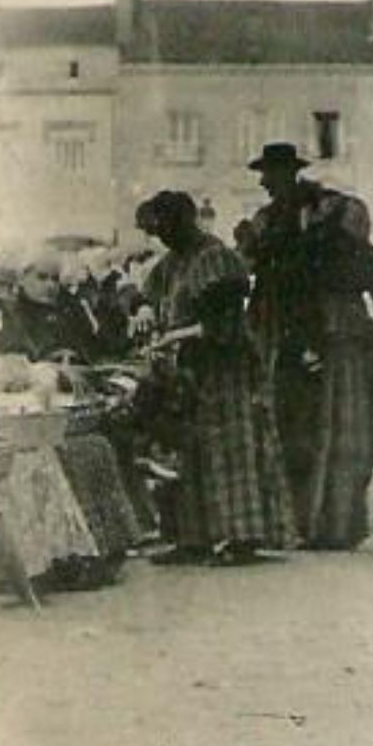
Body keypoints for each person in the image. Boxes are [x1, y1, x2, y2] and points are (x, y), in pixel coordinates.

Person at [240, 142, 373, 550]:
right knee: (310, 430)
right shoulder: (291, 230)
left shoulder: (312, 244)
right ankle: (316, 521)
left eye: (272, 174)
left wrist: (368, 340)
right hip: (305, 340)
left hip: (319, 342)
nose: (266, 183)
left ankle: (326, 522)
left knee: (326, 431)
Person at [136, 191, 294, 565]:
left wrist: (176, 335)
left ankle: (242, 538)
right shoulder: (174, 262)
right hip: (191, 372)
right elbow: (147, 291)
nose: (161, 239)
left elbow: (225, 325)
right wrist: (143, 307)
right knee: (189, 452)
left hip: (225, 369)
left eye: (165, 230)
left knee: (231, 451)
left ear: (182, 224)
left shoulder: (217, 258)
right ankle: (192, 539)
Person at [0, 249, 100, 364]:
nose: (50, 285)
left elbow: (91, 348)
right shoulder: (12, 313)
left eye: (55, 279)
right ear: (21, 279)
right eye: (42, 277)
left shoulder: (67, 310)